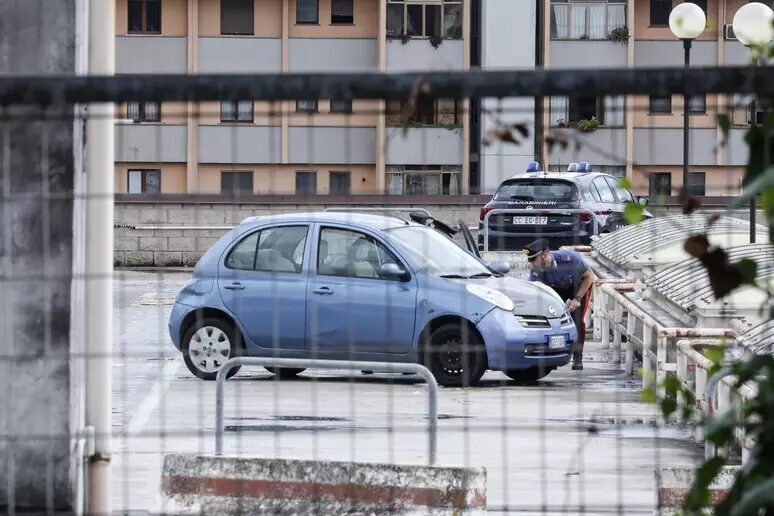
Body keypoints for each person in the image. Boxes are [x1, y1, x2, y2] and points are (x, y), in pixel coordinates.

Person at [522, 238, 596, 370]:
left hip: (577, 286)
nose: (532, 264)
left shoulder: (570, 259)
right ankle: (552, 356)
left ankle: (578, 358)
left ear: (544, 255)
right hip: (555, 289)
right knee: (551, 321)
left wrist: (577, 299)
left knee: (578, 321)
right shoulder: (536, 270)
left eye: (534, 260)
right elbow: (533, 290)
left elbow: (589, 276)